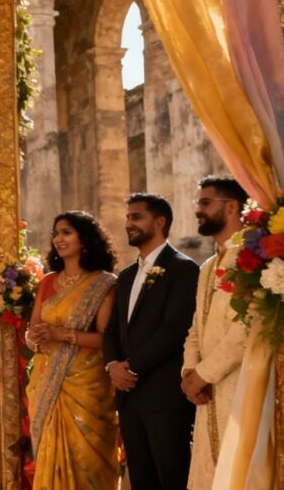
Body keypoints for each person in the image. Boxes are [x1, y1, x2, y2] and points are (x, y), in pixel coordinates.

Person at [103, 193, 198, 489]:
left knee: (172, 476)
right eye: (128, 217)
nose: (128, 223)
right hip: (129, 396)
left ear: (160, 222)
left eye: (136, 217)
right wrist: (111, 366)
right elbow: (112, 329)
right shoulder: (128, 275)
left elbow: (175, 329)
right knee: (141, 479)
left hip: (164, 393)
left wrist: (131, 366)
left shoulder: (183, 269)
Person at [25, 211, 119, 489]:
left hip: (87, 386)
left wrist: (61, 334)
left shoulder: (103, 283)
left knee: (87, 461)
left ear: (85, 239)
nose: (58, 239)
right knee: (48, 455)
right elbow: (32, 332)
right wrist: (37, 338)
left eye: (66, 232)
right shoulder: (46, 282)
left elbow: (106, 339)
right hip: (46, 380)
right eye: (56, 233)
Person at [182, 176, 248, 489]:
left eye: (205, 203)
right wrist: (189, 372)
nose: (198, 209)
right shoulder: (208, 266)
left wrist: (205, 373)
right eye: (198, 203)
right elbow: (196, 326)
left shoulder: (253, 258)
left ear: (233, 207)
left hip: (240, 385)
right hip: (206, 391)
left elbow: (247, 329)